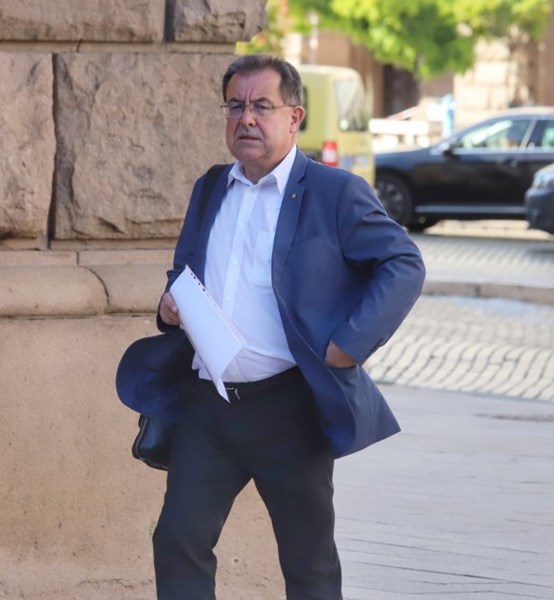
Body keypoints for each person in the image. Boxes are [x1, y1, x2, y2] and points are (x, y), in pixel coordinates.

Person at [121, 54, 425, 599]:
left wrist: (348, 345)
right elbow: (186, 270)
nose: (246, 118)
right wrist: (170, 303)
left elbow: (403, 264)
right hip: (210, 405)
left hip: (289, 409)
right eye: (235, 106)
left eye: (262, 106)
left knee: (308, 563)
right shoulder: (210, 187)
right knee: (178, 539)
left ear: (294, 116)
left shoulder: (334, 192)